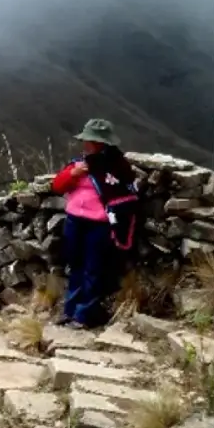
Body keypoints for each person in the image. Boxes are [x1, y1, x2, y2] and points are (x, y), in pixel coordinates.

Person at [50, 118, 140, 329]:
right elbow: (57, 185)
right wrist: (73, 174)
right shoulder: (79, 164)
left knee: (93, 268)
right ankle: (70, 311)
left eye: (92, 141)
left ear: (103, 144)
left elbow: (124, 194)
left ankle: (84, 315)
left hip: (99, 226)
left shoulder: (118, 167)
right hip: (75, 221)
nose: (87, 144)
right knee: (76, 266)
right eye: (87, 140)